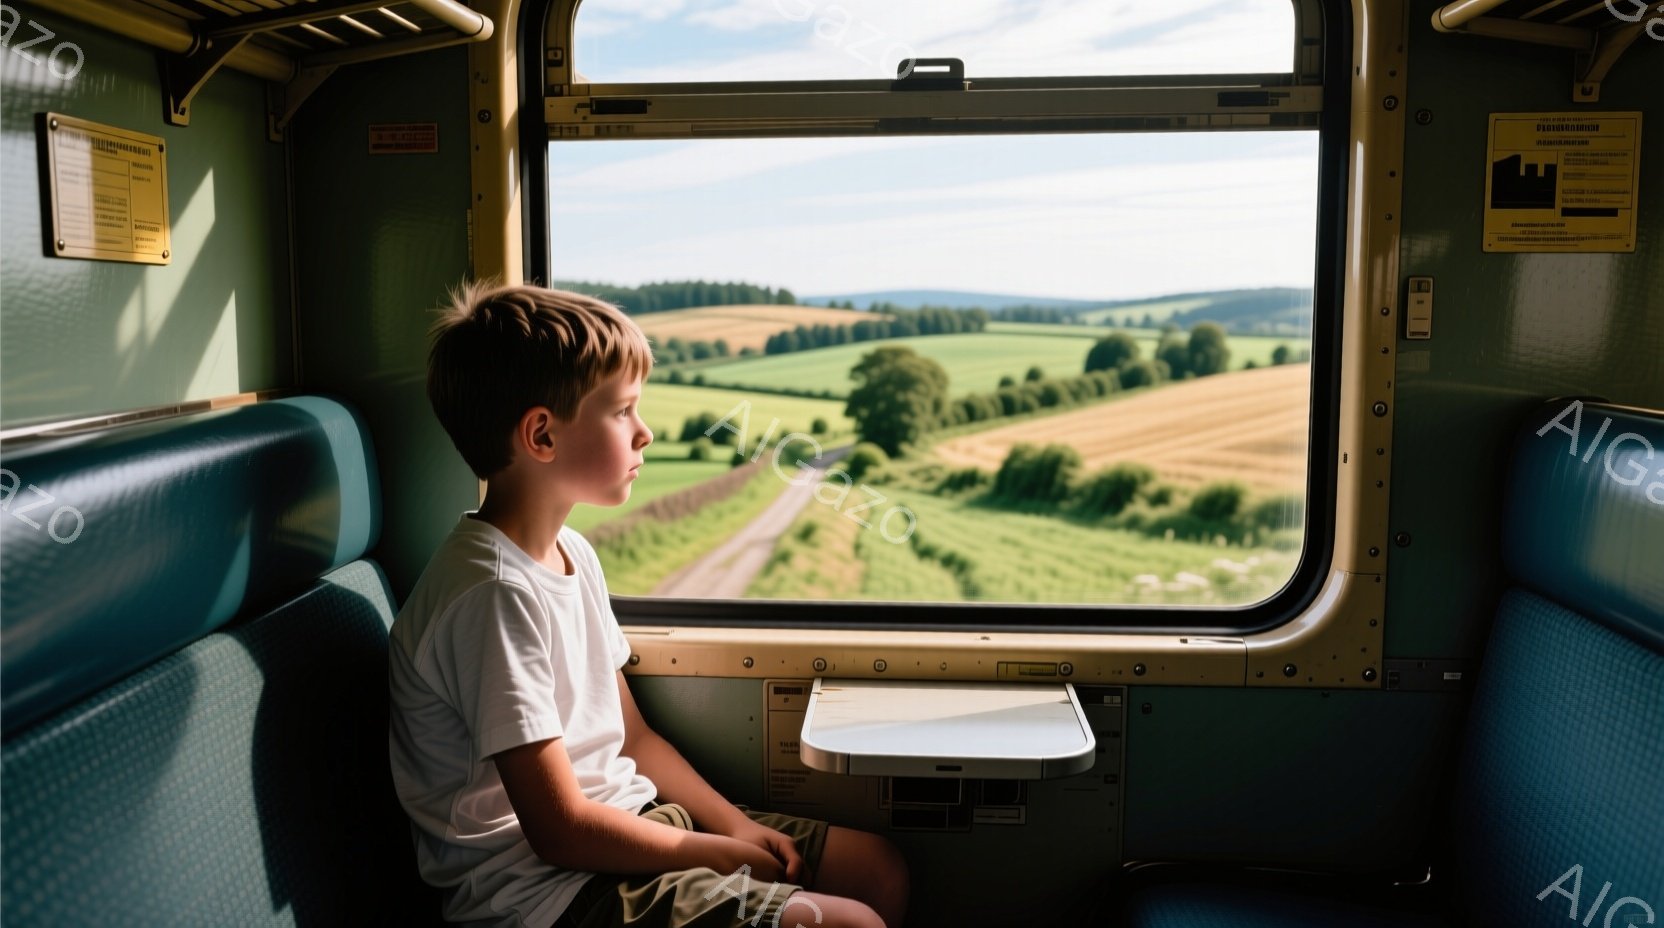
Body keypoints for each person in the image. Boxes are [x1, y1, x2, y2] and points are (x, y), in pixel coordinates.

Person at [390, 282, 908, 928]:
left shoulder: (571, 552)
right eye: (623, 411)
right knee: (855, 924)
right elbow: (558, 830)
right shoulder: (492, 596)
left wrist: (733, 825)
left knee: (876, 871)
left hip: (625, 823)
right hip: (548, 894)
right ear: (542, 436)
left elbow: (632, 737)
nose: (646, 432)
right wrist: (711, 854)